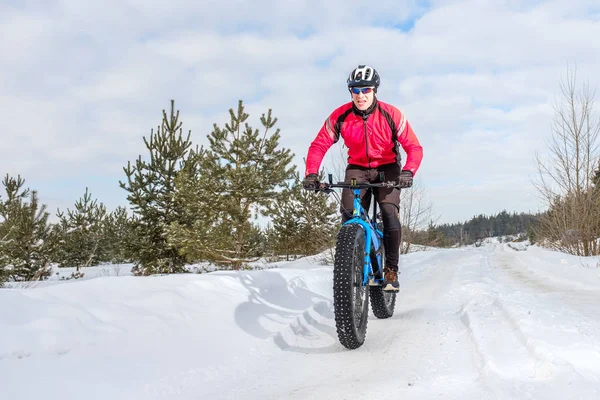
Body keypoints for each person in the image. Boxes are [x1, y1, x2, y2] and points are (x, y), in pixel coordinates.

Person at [302, 64, 423, 292]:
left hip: (388, 167)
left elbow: (414, 147)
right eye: (355, 90)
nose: (360, 95)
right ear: (350, 92)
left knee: (388, 212)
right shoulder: (341, 116)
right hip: (357, 168)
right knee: (349, 214)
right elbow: (319, 145)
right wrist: (311, 173)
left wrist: (408, 171)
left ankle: (390, 270)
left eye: (365, 90)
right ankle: (355, 263)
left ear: (375, 90)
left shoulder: (391, 114)